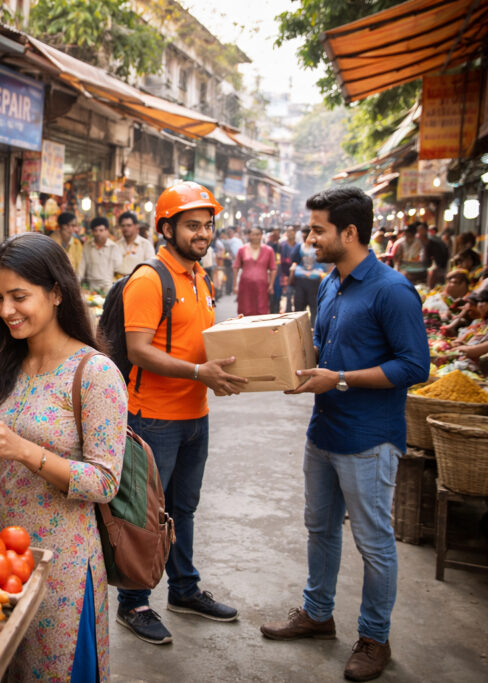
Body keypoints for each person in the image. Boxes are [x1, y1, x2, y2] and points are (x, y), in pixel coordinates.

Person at [262, 186, 429, 682]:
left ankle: (374, 637)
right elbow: (323, 348)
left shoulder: (392, 290)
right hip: (324, 430)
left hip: (369, 438)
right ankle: (318, 614)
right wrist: (289, 367)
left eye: (318, 230)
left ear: (349, 233)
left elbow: (413, 365)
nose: (308, 237)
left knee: (374, 543)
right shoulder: (332, 282)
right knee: (319, 528)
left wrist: (338, 379)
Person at [0, 232, 126, 681]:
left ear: (55, 293)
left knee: (51, 670)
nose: (5, 310)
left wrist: (26, 451)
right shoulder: (0, 365)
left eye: (18, 296)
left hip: (62, 560)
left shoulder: (96, 373)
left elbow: (105, 482)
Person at [117, 181, 246, 645]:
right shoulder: (150, 279)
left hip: (196, 414)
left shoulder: (201, 278)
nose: (203, 234)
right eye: (192, 225)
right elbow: (139, 350)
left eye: (208, 225)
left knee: (184, 509)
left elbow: (202, 340)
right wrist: (198, 371)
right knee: (145, 511)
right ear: (166, 227)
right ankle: (133, 602)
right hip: (153, 416)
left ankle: (184, 589)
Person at [233, 226, 276, 316]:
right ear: (249, 236)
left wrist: (271, 284)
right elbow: (236, 267)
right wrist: (235, 285)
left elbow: (273, 268)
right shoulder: (242, 250)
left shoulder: (269, 250)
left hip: (262, 286)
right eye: (253, 234)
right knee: (245, 309)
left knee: (262, 309)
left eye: (258, 234)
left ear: (261, 235)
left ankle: (260, 330)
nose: (256, 237)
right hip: (245, 286)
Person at [78, 216, 122, 292]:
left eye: (101, 230)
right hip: (90, 287)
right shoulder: (87, 246)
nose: (98, 233)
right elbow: (81, 267)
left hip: (108, 287)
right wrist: (76, 284)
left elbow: (118, 269)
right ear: (92, 232)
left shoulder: (113, 247)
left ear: (107, 231)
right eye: (95, 230)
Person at [291, 234, 327, 316]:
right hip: (301, 279)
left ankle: (314, 327)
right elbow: (294, 260)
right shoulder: (300, 247)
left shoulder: (319, 247)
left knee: (314, 306)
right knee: (299, 306)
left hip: (314, 280)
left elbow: (323, 265)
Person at [116, 210, 155, 276]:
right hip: (118, 283)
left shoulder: (145, 245)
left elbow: (151, 268)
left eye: (129, 225)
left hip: (138, 283)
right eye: (123, 226)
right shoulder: (116, 245)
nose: (125, 228)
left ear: (136, 226)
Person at [417, 222, 449, 288]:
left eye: (419, 232)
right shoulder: (425, 243)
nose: (418, 235)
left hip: (439, 271)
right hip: (431, 270)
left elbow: (437, 265)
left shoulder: (434, 244)